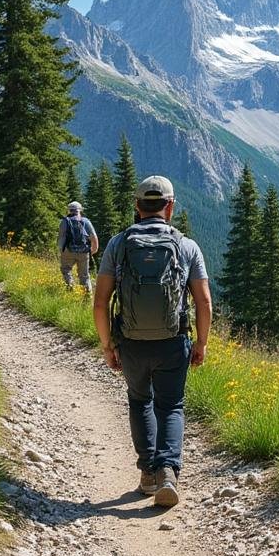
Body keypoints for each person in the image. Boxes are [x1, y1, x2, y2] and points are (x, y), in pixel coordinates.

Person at [93, 176, 211, 508]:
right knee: (171, 404)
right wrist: (201, 342)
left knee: (140, 401)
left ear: (137, 206)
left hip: (130, 342)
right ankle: (168, 473)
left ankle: (147, 474)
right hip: (173, 342)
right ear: (170, 206)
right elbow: (203, 302)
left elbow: (100, 302)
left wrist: (107, 346)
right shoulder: (186, 246)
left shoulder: (118, 245)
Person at [58, 201, 99, 292]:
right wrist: (93, 250)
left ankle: (70, 288)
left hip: (68, 251)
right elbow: (94, 237)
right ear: (79, 210)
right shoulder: (85, 221)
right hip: (84, 252)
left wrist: (61, 250)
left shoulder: (64, 221)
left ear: (69, 210)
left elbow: (61, 237)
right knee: (84, 276)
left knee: (66, 270)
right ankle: (87, 297)